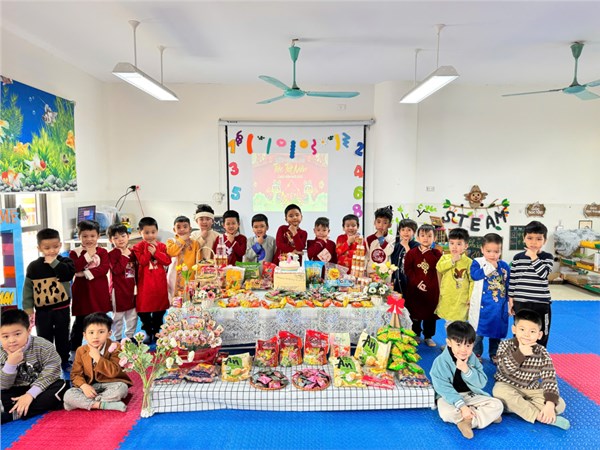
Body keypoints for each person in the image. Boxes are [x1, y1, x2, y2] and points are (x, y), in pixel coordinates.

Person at [493, 309, 570, 430]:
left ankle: (516, 408)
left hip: (531, 388)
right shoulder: (505, 345)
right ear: (514, 329)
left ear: (539, 335)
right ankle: (540, 416)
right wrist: (520, 354)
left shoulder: (542, 352)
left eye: (532, 331)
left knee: (560, 405)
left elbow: (549, 378)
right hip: (507, 384)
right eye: (522, 329)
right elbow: (503, 369)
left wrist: (550, 405)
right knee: (499, 392)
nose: (526, 335)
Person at [430, 321, 503, 439]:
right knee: (445, 413)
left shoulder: (473, 359)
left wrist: (466, 370)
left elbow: (481, 383)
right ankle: (481, 416)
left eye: (468, 345)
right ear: (449, 343)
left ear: (473, 344)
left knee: (498, 405)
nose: (464, 350)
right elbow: (442, 388)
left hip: (470, 395)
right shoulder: (440, 362)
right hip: (449, 397)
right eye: (458, 345)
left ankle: (467, 422)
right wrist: (462, 407)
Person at [1, 309, 66, 424]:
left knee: (61, 386)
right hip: (14, 391)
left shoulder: (43, 346)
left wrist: (30, 394)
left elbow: (52, 371)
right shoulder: (2, 352)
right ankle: (21, 409)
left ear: (28, 330)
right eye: (5, 336)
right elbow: (4, 385)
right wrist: (10, 364)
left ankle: (13, 414)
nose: (11, 340)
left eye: (17, 334)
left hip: (39, 389)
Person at [22, 228, 75, 369]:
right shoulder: (34, 267)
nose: (52, 251)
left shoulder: (65, 262)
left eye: (55, 247)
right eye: (47, 248)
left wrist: (54, 262)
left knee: (63, 334)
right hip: (42, 311)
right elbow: (28, 289)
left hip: (62, 308)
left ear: (60, 245)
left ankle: (64, 359)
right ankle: (46, 361)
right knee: (44, 336)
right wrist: (28, 309)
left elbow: (67, 275)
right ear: (39, 248)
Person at [63, 313, 132, 412]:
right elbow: (75, 374)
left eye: (101, 332)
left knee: (122, 388)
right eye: (91, 332)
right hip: (91, 386)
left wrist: (98, 358)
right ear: (85, 335)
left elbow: (114, 371)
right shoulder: (81, 350)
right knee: (68, 394)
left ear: (109, 333)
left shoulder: (115, 347)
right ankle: (102, 404)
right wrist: (83, 386)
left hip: (112, 383)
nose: (95, 336)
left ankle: (87, 403)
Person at [508, 221, 554, 347]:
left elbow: (543, 274)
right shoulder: (517, 258)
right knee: (520, 331)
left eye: (538, 239)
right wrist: (510, 300)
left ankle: (539, 355)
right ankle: (519, 355)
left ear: (545, 241)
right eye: (530, 238)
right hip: (521, 302)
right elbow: (513, 280)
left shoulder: (547, 257)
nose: (534, 242)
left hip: (541, 303)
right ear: (524, 238)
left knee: (541, 332)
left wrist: (534, 256)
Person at [69, 220, 111, 354]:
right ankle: (74, 349)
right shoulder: (74, 253)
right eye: (85, 236)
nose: (89, 239)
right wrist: (88, 254)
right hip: (82, 292)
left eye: (92, 236)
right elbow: (75, 267)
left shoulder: (103, 252)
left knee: (100, 320)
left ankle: (103, 347)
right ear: (79, 236)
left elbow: (104, 269)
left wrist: (85, 273)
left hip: (99, 291)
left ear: (98, 236)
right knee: (80, 321)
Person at [469, 233, 510, 364]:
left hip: (498, 307)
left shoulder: (504, 266)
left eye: (496, 252)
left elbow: (508, 285)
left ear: (501, 251)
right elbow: (475, 276)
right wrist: (490, 266)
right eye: (489, 251)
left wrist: (510, 303)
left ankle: (494, 353)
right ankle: (476, 353)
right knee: (478, 334)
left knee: (496, 333)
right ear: (482, 249)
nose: (492, 255)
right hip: (481, 307)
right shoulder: (477, 262)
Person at [132, 217, 171, 345]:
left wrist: (156, 252)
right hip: (144, 284)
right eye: (146, 232)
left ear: (157, 231)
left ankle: (157, 331)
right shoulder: (137, 247)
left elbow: (167, 261)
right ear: (140, 232)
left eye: (153, 232)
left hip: (159, 283)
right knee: (143, 310)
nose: (150, 235)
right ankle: (148, 331)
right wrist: (150, 251)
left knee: (160, 310)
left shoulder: (162, 246)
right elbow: (143, 261)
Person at [404, 224, 442, 346]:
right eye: (423, 235)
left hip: (432, 289)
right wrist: (417, 283)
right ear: (418, 237)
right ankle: (416, 334)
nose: (426, 238)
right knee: (415, 313)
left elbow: (440, 270)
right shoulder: (411, 253)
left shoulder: (437, 254)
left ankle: (428, 336)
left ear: (434, 238)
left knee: (430, 315)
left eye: (429, 236)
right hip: (415, 289)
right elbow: (408, 270)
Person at [436, 228, 473, 327]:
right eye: (451, 243)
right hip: (447, 297)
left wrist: (471, 297)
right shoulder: (445, 258)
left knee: (460, 324)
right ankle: (450, 337)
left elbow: (472, 281)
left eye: (459, 244)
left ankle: (455, 337)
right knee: (448, 323)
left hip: (461, 299)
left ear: (466, 246)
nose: (454, 247)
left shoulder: (469, 262)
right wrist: (452, 260)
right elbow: (439, 268)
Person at [107, 224, 138, 341]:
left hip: (130, 289)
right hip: (118, 290)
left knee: (132, 315)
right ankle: (118, 338)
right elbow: (116, 270)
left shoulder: (132, 252)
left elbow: (134, 270)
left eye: (123, 236)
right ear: (111, 240)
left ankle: (130, 336)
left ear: (128, 236)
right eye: (116, 237)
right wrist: (124, 256)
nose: (120, 239)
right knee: (118, 316)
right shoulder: (111, 254)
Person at [166, 216, 200, 297]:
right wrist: (182, 240)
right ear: (174, 229)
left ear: (190, 229)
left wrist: (198, 278)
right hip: (174, 278)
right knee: (175, 300)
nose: (182, 229)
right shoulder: (171, 241)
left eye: (185, 227)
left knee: (190, 298)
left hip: (190, 277)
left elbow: (198, 261)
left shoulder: (195, 243)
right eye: (178, 227)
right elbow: (171, 253)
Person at [390, 218, 419, 294]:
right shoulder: (396, 246)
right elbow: (393, 263)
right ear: (399, 232)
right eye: (403, 230)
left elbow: (414, 262)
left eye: (409, 230)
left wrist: (406, 246)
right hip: (398, 284)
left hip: (411, 285)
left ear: (414, 232)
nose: (405, 232)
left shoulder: (417, 246)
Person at [365, 206, 395, 274]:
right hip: (371, 273)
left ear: (390, 225)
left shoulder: (391, 239)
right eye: (378, 222)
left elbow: (388, 252)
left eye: (385, 223)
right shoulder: (369, 239)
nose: (381, 225)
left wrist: (381, 238)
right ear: (374, 223)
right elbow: (367, 257)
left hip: (385, 274)